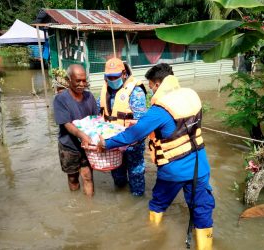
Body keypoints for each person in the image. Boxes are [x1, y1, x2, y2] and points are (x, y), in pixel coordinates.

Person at [98, 63, 215, 249]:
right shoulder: (191, 96)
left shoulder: (159, 110)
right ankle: (206, 247)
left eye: (151, 86)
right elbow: (177, 125)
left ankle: (153, 239)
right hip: (200, 168)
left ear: (158, 84)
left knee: (158, 204)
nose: (151, 90)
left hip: (173, 171)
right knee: (202, 210)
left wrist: (105, 143)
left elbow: (133, 135)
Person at [97, 57, 147, 196]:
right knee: (117, 176)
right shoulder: (105, 90)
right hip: (113, 142)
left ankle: (136, 203)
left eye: (115, 76)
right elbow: (98, 113)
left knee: (136, 175)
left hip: (132, 144)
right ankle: (121, 202)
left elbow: (141, 123)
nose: (112, 80)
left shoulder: (136, 92)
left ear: (124, 74)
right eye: (109, 77)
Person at [53, 64, 97, 196]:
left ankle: (89, 208)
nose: (82, 84)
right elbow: (66, 124)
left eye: (84, 80)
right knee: (72, 178)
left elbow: (96, 121)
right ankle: (75, 203)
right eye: (78, 81)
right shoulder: (60, 99)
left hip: (87, 146)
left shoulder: (90, 97)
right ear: (69, 80)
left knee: (88, 177)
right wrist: (82, 135)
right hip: (68, 146)